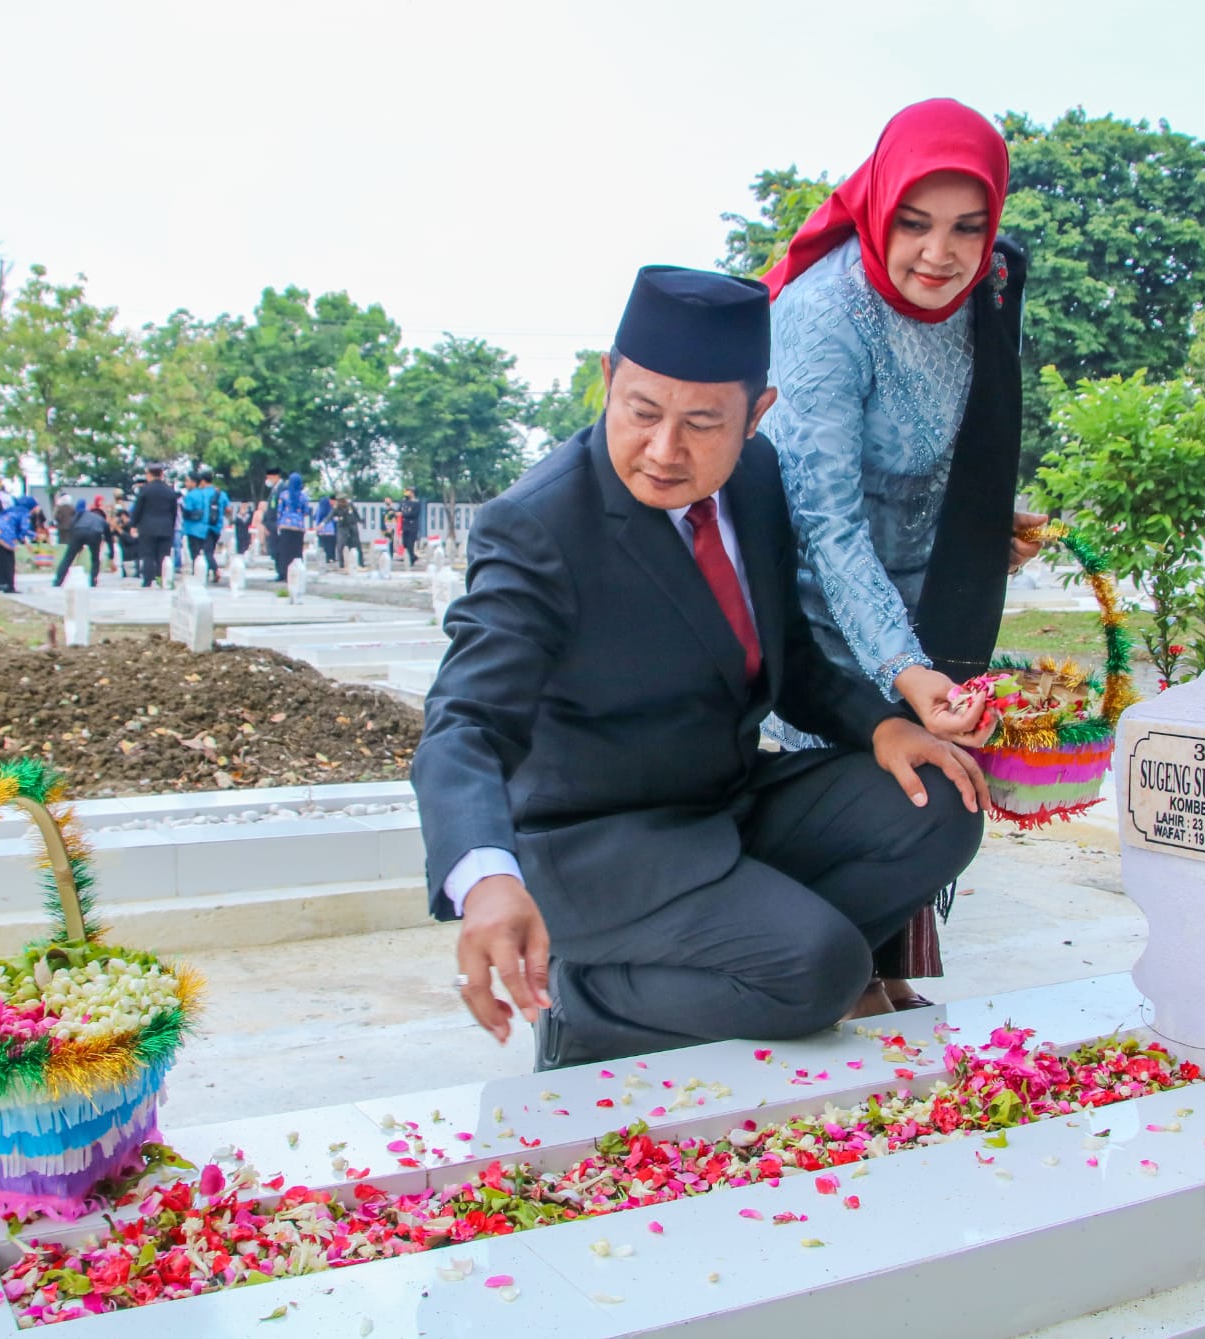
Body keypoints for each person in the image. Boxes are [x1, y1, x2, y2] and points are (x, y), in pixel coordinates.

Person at [412, 265, 987, 1069]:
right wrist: (484, 879)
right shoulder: (539, 527)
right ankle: (592, 1002)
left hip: (722, 805)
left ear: (758, 415)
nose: (663, 450)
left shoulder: (752, 482)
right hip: (598, 846)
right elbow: (464, 722)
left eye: (703, 423)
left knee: (942, 803)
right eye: (641, 411)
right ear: (609, 380)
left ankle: (731, 949)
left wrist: (885, 725)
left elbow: (787, 652)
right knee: (820, 971)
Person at [760, 98, 1040, 1011]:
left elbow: (962, 441)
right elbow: (825, 522)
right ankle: (814, 975)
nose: (939, 254)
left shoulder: (988, 287)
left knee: (929, 795)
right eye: (915, 223)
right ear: (878, 207)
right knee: (862, 784)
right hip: (818, 610)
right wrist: (903, 665)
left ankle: (876, 972)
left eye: (969, 226)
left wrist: (980, 522)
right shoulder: (823, 313)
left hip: (921, 600)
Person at [131, 464, 180, 587]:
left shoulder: (145, 490)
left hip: (147, 527)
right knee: (163, 556)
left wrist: (133, 525)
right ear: (161, 474)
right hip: (166, 527)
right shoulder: (170, 491)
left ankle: (147, 581)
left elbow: (138, 509)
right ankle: (161, 579)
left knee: (148, 555)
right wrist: (172, 526)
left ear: (149, 475)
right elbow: (174, 512)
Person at [0, 494, 40, 592]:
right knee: (8, 561)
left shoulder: (12, 510)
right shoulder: (25, 513)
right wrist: (35, 536)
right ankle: (9, 586)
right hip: (6, 535)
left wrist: (24, 542)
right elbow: (24, 529)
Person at [53, 497, 109, 586]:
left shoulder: (83, 514)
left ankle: (58, 581)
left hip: (78, 531)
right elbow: (109, 540)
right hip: (94, 534)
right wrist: (111, 556)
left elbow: (73, 523)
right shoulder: (103, 521)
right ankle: (93, 581)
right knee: (95, 558)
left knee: (68, 558)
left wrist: (74, 542)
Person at [179, 471, 217, 577]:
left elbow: (188, 511)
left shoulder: (190, 496)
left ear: (193, 482)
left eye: (188, 481)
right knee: (206, 552)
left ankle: (197, 572)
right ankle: (211, 570)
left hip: (192, 529)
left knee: (194, 554)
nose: (186, 484)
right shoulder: (203, 493)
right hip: (204, 528)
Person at [255, 466, 285, 578]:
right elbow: (269, 508)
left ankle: (282, 572)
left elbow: (278, 508)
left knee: (278, 548)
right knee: (273, 548)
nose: (268, 480)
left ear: (275, 476)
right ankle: (279, 571)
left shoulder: (282, 488)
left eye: (269, 477)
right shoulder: (275, 489)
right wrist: (265, 522)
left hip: (277, 523)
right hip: (271, 523)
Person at [276, 471, 310, 572]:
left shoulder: (284, 495)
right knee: (297, 551)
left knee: (285, 551)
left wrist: (279, 524)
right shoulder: (304, 497)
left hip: (285, 526)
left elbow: (279, 511)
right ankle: (297, 572)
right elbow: (306, 512)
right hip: (298, 527)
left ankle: (284, 573)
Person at [333, 494, 363, 569]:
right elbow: (331, 515)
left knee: (357, 544)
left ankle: (360, 563)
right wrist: (323, 523)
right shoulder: (337, 507)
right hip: (342, 527)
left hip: (352, 525)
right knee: (340, 545)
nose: (342, 502)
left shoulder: (350, 505)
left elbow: (356, 513)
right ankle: (341, 564)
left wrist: (359, 520)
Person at [398, 487, 423, 567]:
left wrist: (403, 514)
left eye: (409, 491)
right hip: (404, 525)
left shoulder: (416, 503)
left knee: (410, 544)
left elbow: (414, 514)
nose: (407, 493)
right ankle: (413, 557)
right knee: (405, 543)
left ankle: (411, 560)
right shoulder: (403, 502)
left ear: (412, 493)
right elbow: (399, 510)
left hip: (412, 525)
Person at [314, 493, 337, 563]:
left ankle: (325, 559)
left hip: (321, 529)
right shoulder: (331, 509)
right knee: (331, 545)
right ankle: (331, 558)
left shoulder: (320, 509)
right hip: (331, 530)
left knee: (323, 546)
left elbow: (316, 518)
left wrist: (317, 528)